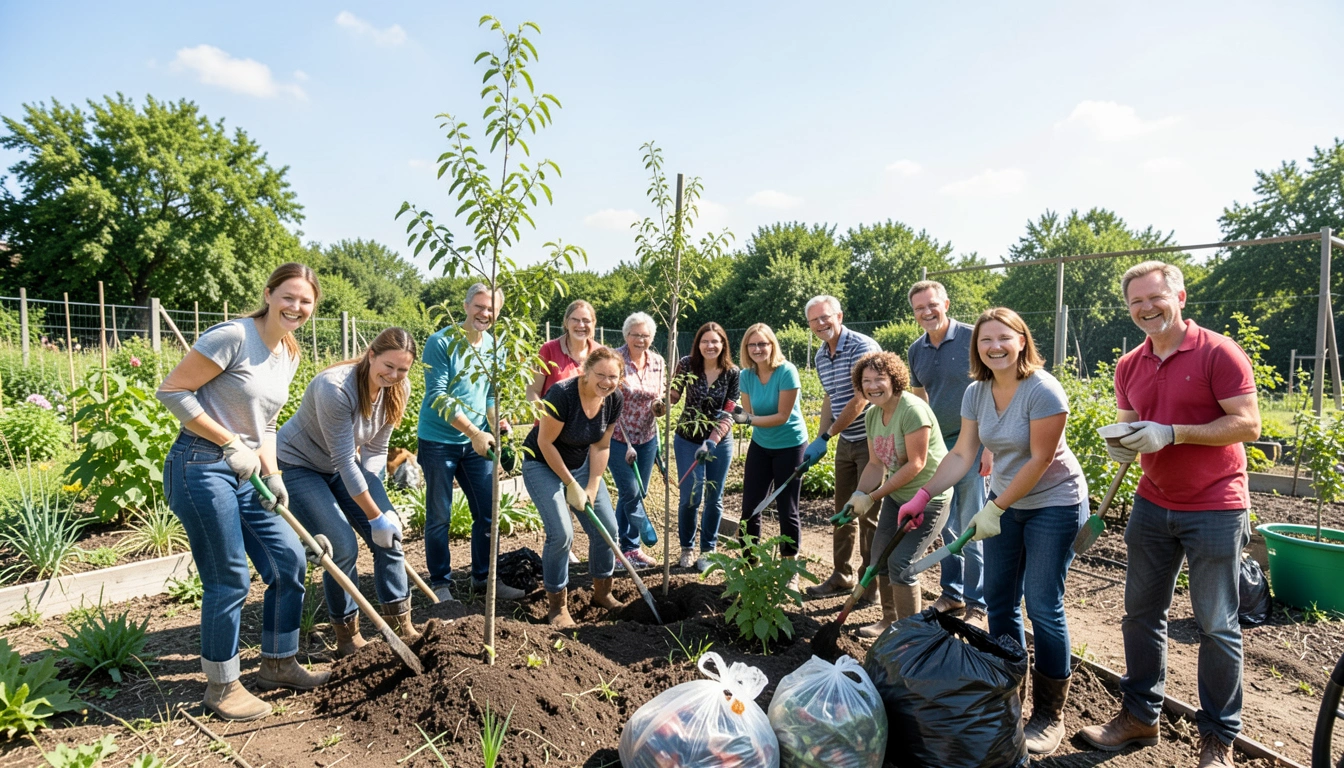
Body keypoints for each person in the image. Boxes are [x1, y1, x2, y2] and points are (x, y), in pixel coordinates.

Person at [1079, 262, 1258, 768]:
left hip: (1216, 504)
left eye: (1155, 297)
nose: (1146, 308)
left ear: (1179, 296)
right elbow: (1129, 423)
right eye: (1135, 301)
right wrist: (1122, 442)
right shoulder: (1129, 364)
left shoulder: (1218, 352)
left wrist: (1173, 433)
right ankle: (1140, 716)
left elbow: (1248, 423)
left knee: (1216, 625)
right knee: (1140, 614)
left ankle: (1218, 738)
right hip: (1152, 501)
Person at [899, 307, 1088, 756]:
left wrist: (994, 508)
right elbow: (963, 454)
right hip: (1005, 501)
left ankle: (1049, 713)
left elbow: (1040, 459)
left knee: (1042, 605)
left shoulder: (1043, 390)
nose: (995, 346)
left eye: (1004, 337)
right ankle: (1008, 694)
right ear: (976, 348)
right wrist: (924, 494)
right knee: (1000, 600)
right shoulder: (977, 392)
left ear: (1022, 341)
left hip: (1054, 502)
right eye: (986, 340)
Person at [156, 263, 327, 722]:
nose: (296, 307)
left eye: (305, 301)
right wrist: (230, 442)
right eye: (288, 296)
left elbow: (266, 424)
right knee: (229, 577)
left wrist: (274, 475)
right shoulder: (232, 336)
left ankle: (278, 663)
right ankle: (222, 686)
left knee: (288, 561)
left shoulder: (288, 352)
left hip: (250, 471)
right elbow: (172, 391)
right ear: (269, 294)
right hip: (200, 465)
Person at [277, 327, 421, 659]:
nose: (394, 375)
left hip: (343, 466)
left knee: (391, 537)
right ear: (371, 355)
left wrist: (380, 510)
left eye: (402, 369)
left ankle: (401, 627)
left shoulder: (398, 388)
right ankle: (348, 637)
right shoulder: (335, 387)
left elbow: (375, 452)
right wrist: (373, 516)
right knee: (341, 547)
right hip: (300, 465)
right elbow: (343, 460)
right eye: (388, 366)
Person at [417, 283, 524, 603]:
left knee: (488, 512)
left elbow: (490, 395)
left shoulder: (495, 347)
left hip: (478, 443)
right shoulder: (441, 342)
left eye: (491, 309)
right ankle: (440, 584)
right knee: (440, 517)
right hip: (439, 441)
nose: (484, 313)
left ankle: (484, 579)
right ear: (465, 306)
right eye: (479, 306)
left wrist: (495, 424)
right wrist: (474, 432)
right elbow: (437, 396)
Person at [846, 351, 951, 638]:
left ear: (894, 379)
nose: (873, 386)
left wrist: (873, 497)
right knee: (879, 557)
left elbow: (916, 464)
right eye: (866, 381)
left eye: (879, 379)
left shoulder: (913, 410)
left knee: (902, 564)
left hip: (929, 498)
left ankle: (911, 636)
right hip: (898, 497)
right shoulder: (872, 415)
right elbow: (875, 464)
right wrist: (858, 494)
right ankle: (889, 621)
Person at [521, 346, 626, 627]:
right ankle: (557, 605)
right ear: (586, 371)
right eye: (600, 375)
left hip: (581, 465)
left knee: (607, 529)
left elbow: (601, 446)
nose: (606, 382)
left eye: (613, 377)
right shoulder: (562, 394)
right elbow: (545, 442)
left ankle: (602, 593)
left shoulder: (614, 399)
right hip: (542, 463)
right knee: (561, 534)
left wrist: (591, 485)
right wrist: (570, 484)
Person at [906, 280, 990, 625]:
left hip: (974, 442)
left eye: (932, 305)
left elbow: (994, 388)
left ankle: (978, 602)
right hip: (942, 447)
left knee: (971, 523)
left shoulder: (974, 338)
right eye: (919, 308)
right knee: (946, 524)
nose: (927, 312)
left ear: (946, 304)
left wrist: (990, 446)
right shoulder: (916, 350)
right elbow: (920, 400)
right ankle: (953, 593)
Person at [801, 295, 882, 601]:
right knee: (843, 511)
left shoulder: (862, 347)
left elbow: (861, 399)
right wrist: (820, 438)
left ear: (839, 316)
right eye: (814, 320)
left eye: (825, 317)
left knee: (868, 513)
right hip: (846, 441)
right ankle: (841, 575)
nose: (821, 324)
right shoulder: (821, 356)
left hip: (873, 442)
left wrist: (828, 434)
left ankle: (870, 585)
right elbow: (829, 398)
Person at [733, 323, 808, 590]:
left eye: (762, 344)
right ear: (746, 348)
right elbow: (751, 413)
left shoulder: (786, 371)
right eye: (752, 344)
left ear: (772, 345)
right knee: (750, 509)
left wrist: (747, 419)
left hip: (790, 445)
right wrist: (745, 418)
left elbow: (781, 416)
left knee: (787, 509)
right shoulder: (746, 376)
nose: (757, 349)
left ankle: (790, 571)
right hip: (761, 445)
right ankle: (749, 565)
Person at [671, 322, 738, 572]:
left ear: (723, 344)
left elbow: (729, 411)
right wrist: (660, 402)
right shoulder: (687, 364)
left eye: (715, 341)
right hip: (687, 439)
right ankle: (687, 547)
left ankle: (708, 549)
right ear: (698, 344)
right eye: (705, 341)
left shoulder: (732, 373)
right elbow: (674, 395)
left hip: (719, 442)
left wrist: (712, 441)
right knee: (690, 496)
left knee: (713, 497)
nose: (710, 346)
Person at [610, 312, 666, 569]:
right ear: (626, 335)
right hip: (618, 436)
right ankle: (624, 547)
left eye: (645, 335)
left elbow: (660, 393)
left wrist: (659, 406)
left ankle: (626, 547)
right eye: (635, 335)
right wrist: (624, 439)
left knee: (637, 492)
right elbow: (608, 397)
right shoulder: (615, 359)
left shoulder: (658, 361)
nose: (640, 339)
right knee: (630, 491)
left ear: (651, 337)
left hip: (647, 436)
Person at [527, 299, 599, 401]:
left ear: (593, 323)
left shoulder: (600, 353)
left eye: (586, 320)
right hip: (551, 411)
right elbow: (533, 391)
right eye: (575, 320)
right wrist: (542, 411)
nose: (581, 325)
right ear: (566, 322)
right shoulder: (548, 349)